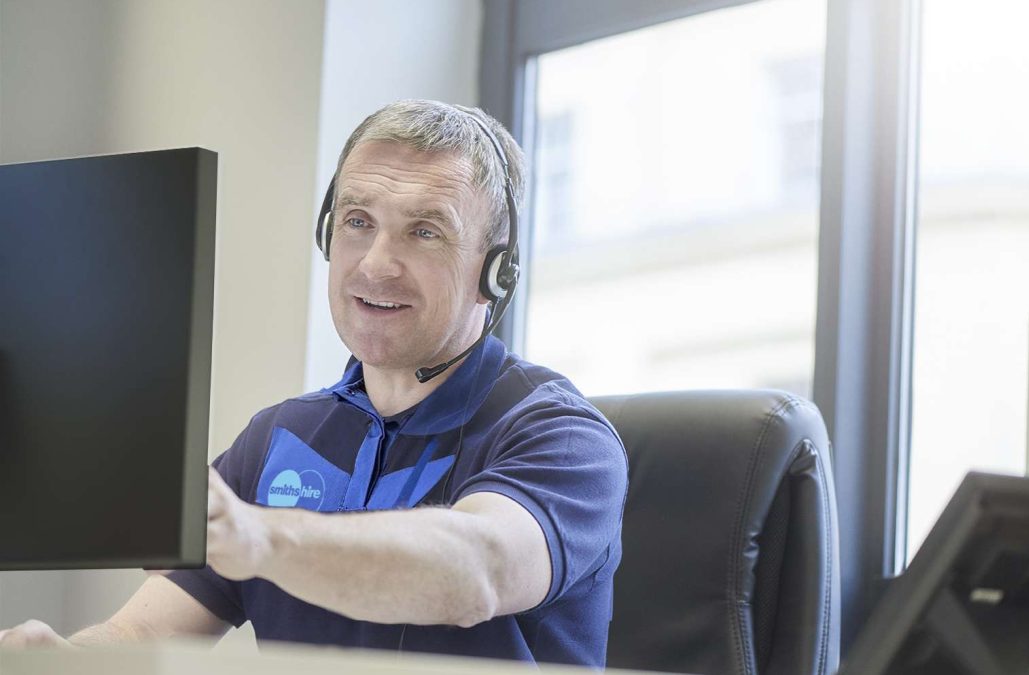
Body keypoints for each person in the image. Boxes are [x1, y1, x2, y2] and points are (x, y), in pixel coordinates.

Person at [0, 100, 628, 668]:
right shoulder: (278, 437)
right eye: (357, 221)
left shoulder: (563, 437)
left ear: (496, 271)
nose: (376, 263)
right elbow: (141, 633)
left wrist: (262, 537)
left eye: (425, 231)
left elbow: (478, 568)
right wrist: (57, 659)